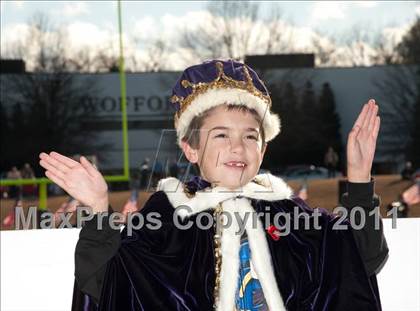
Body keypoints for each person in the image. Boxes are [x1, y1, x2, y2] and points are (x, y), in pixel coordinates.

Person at [39, 60, 388, 310]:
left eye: (251, 136)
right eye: (220, 135)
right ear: (191, 147)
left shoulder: (292, 216)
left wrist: (358, 180)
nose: (238, 147)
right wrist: (100, 209)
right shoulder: (166, 218)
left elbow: (362, 261)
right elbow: (103, 281)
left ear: (263, 148)